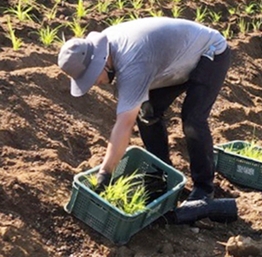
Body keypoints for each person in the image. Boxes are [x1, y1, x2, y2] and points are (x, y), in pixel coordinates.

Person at [57, 17, 231, 203]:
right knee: (148, 112)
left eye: (92, 77)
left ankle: (204, 188)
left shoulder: (131, 61)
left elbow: (124, 124)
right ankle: (162, 175)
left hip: (210, 52)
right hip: (173, 61)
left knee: (193, 120)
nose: (95, 83)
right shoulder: (110, 49)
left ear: (100, 63)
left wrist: (105, 174)